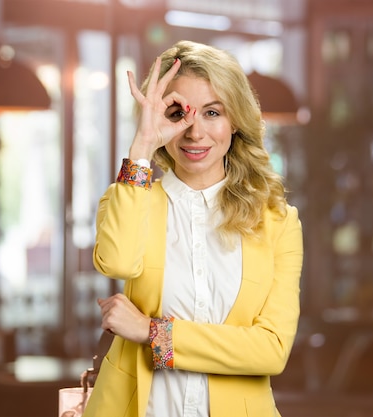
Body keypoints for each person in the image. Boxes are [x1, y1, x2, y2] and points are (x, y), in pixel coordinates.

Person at [84, 40, 304, 417]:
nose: (194, 132)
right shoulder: (128, 198)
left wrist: (153, 333)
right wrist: (143, 147)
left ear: (235, 120)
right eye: (177, 112)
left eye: (212, 112)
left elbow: (270, 350)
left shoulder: (278, 222)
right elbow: (117, 264)